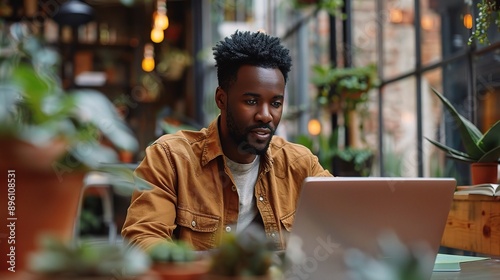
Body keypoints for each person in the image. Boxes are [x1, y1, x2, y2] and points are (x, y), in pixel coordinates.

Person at [121, 30, 332, 252]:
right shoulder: (171, 159)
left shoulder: (299, 164)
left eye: (276, 103)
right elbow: (143, 240)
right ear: (221, 99)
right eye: (251, 101)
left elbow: (344, 219)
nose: (266, 115)